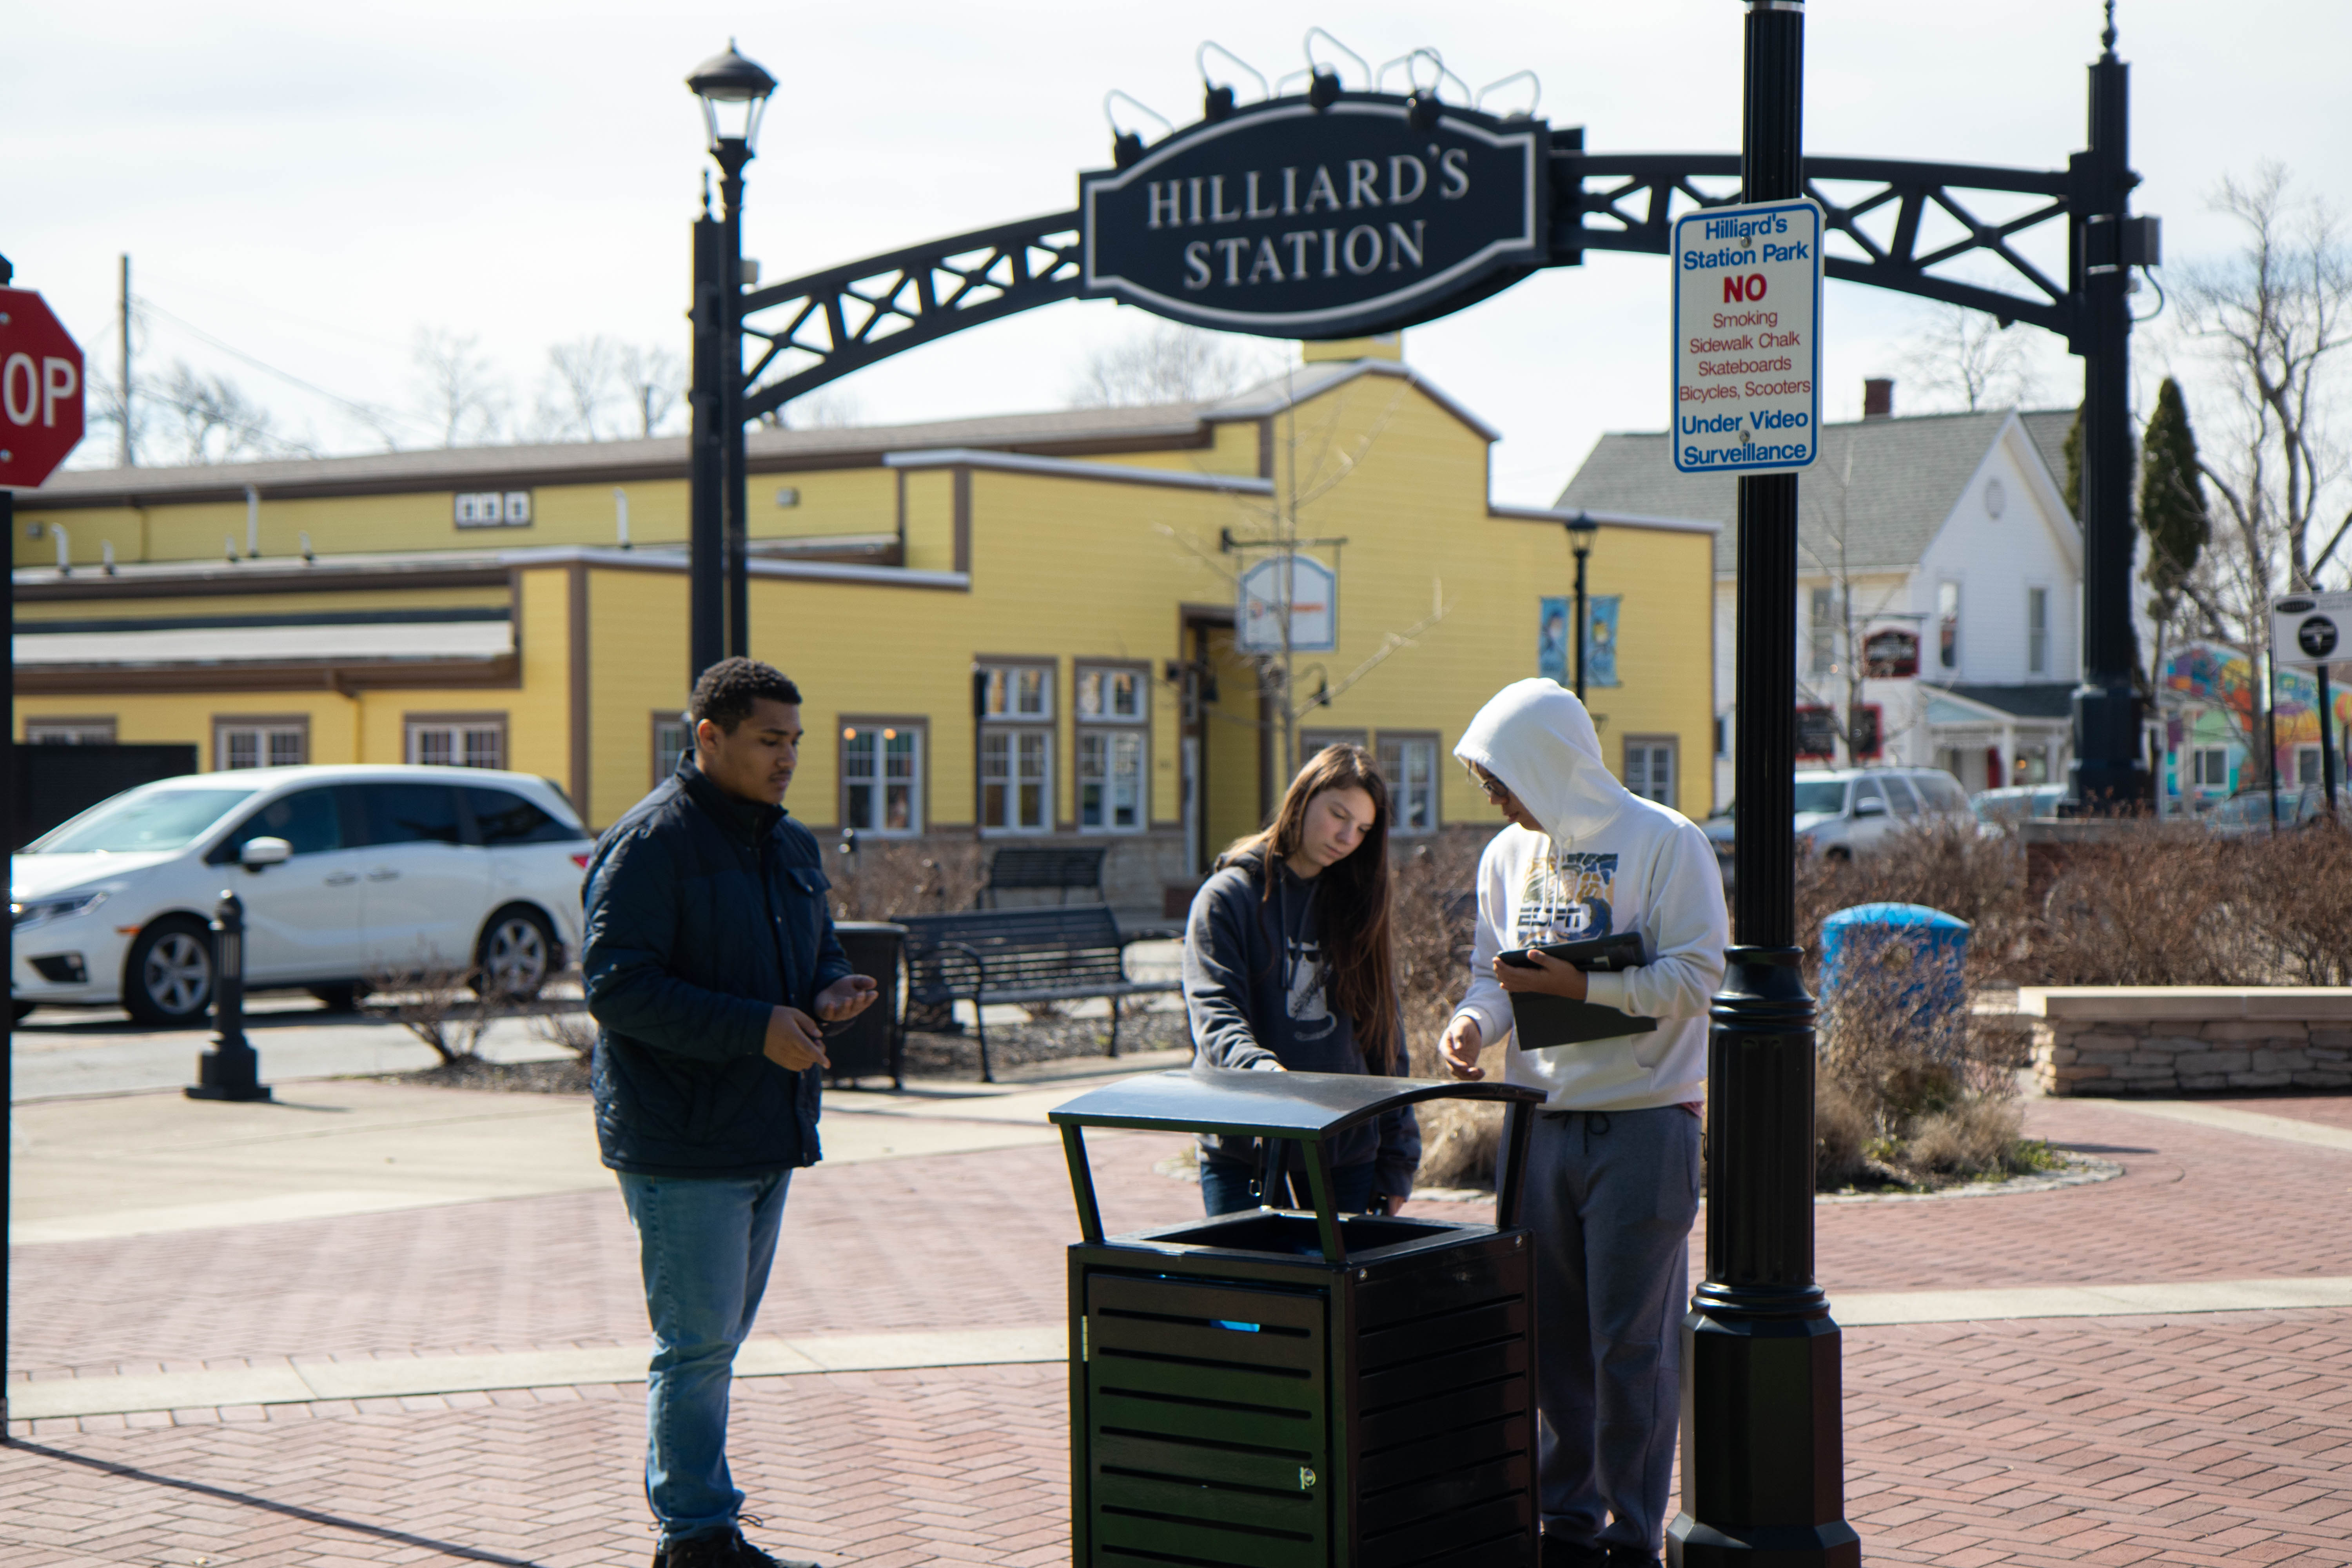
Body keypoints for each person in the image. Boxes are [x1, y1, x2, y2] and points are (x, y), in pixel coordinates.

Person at [583, 657, 880, 1568]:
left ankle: (699, 1528)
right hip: (680, 1140)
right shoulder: (651, 843)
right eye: (769, 740)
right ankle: (696, 1536)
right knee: (697, 1345)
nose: (789, 757)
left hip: (764, 1127)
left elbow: (817, 948)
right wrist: (758, 1028)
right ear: (708, 737)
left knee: (714, 1343)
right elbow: (617, 988)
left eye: (795, 740)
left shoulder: (787, 843)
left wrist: (831, 990)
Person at [1438, 679, 1728, 1568]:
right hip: (1541, 1128)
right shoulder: (1504, 858)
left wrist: (1586, 989)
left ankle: (1631, 1536)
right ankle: (1565, 1528)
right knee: (1550, 1342)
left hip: (1644, 1125)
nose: (1491, 795)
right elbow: (1496, 974)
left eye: (1499, 776)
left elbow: (1699, 977)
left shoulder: (1666, 842)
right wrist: (1473, 1023)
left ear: (1547, 761)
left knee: (1629, 1346)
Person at [1183, 742, 1420, 1216]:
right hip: (1243, 1143)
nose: (1348, 836)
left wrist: (1398, 1158)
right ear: (1303, 797)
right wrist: (1264, 1074)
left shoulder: (1357, 901)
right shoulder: (1227, 897)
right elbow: (1215, 1014)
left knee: (1341, 1291)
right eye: (1338, 814)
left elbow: (1384, 1038)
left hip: (1344, 1144)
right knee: (1255, 1288)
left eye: (1363, 829)